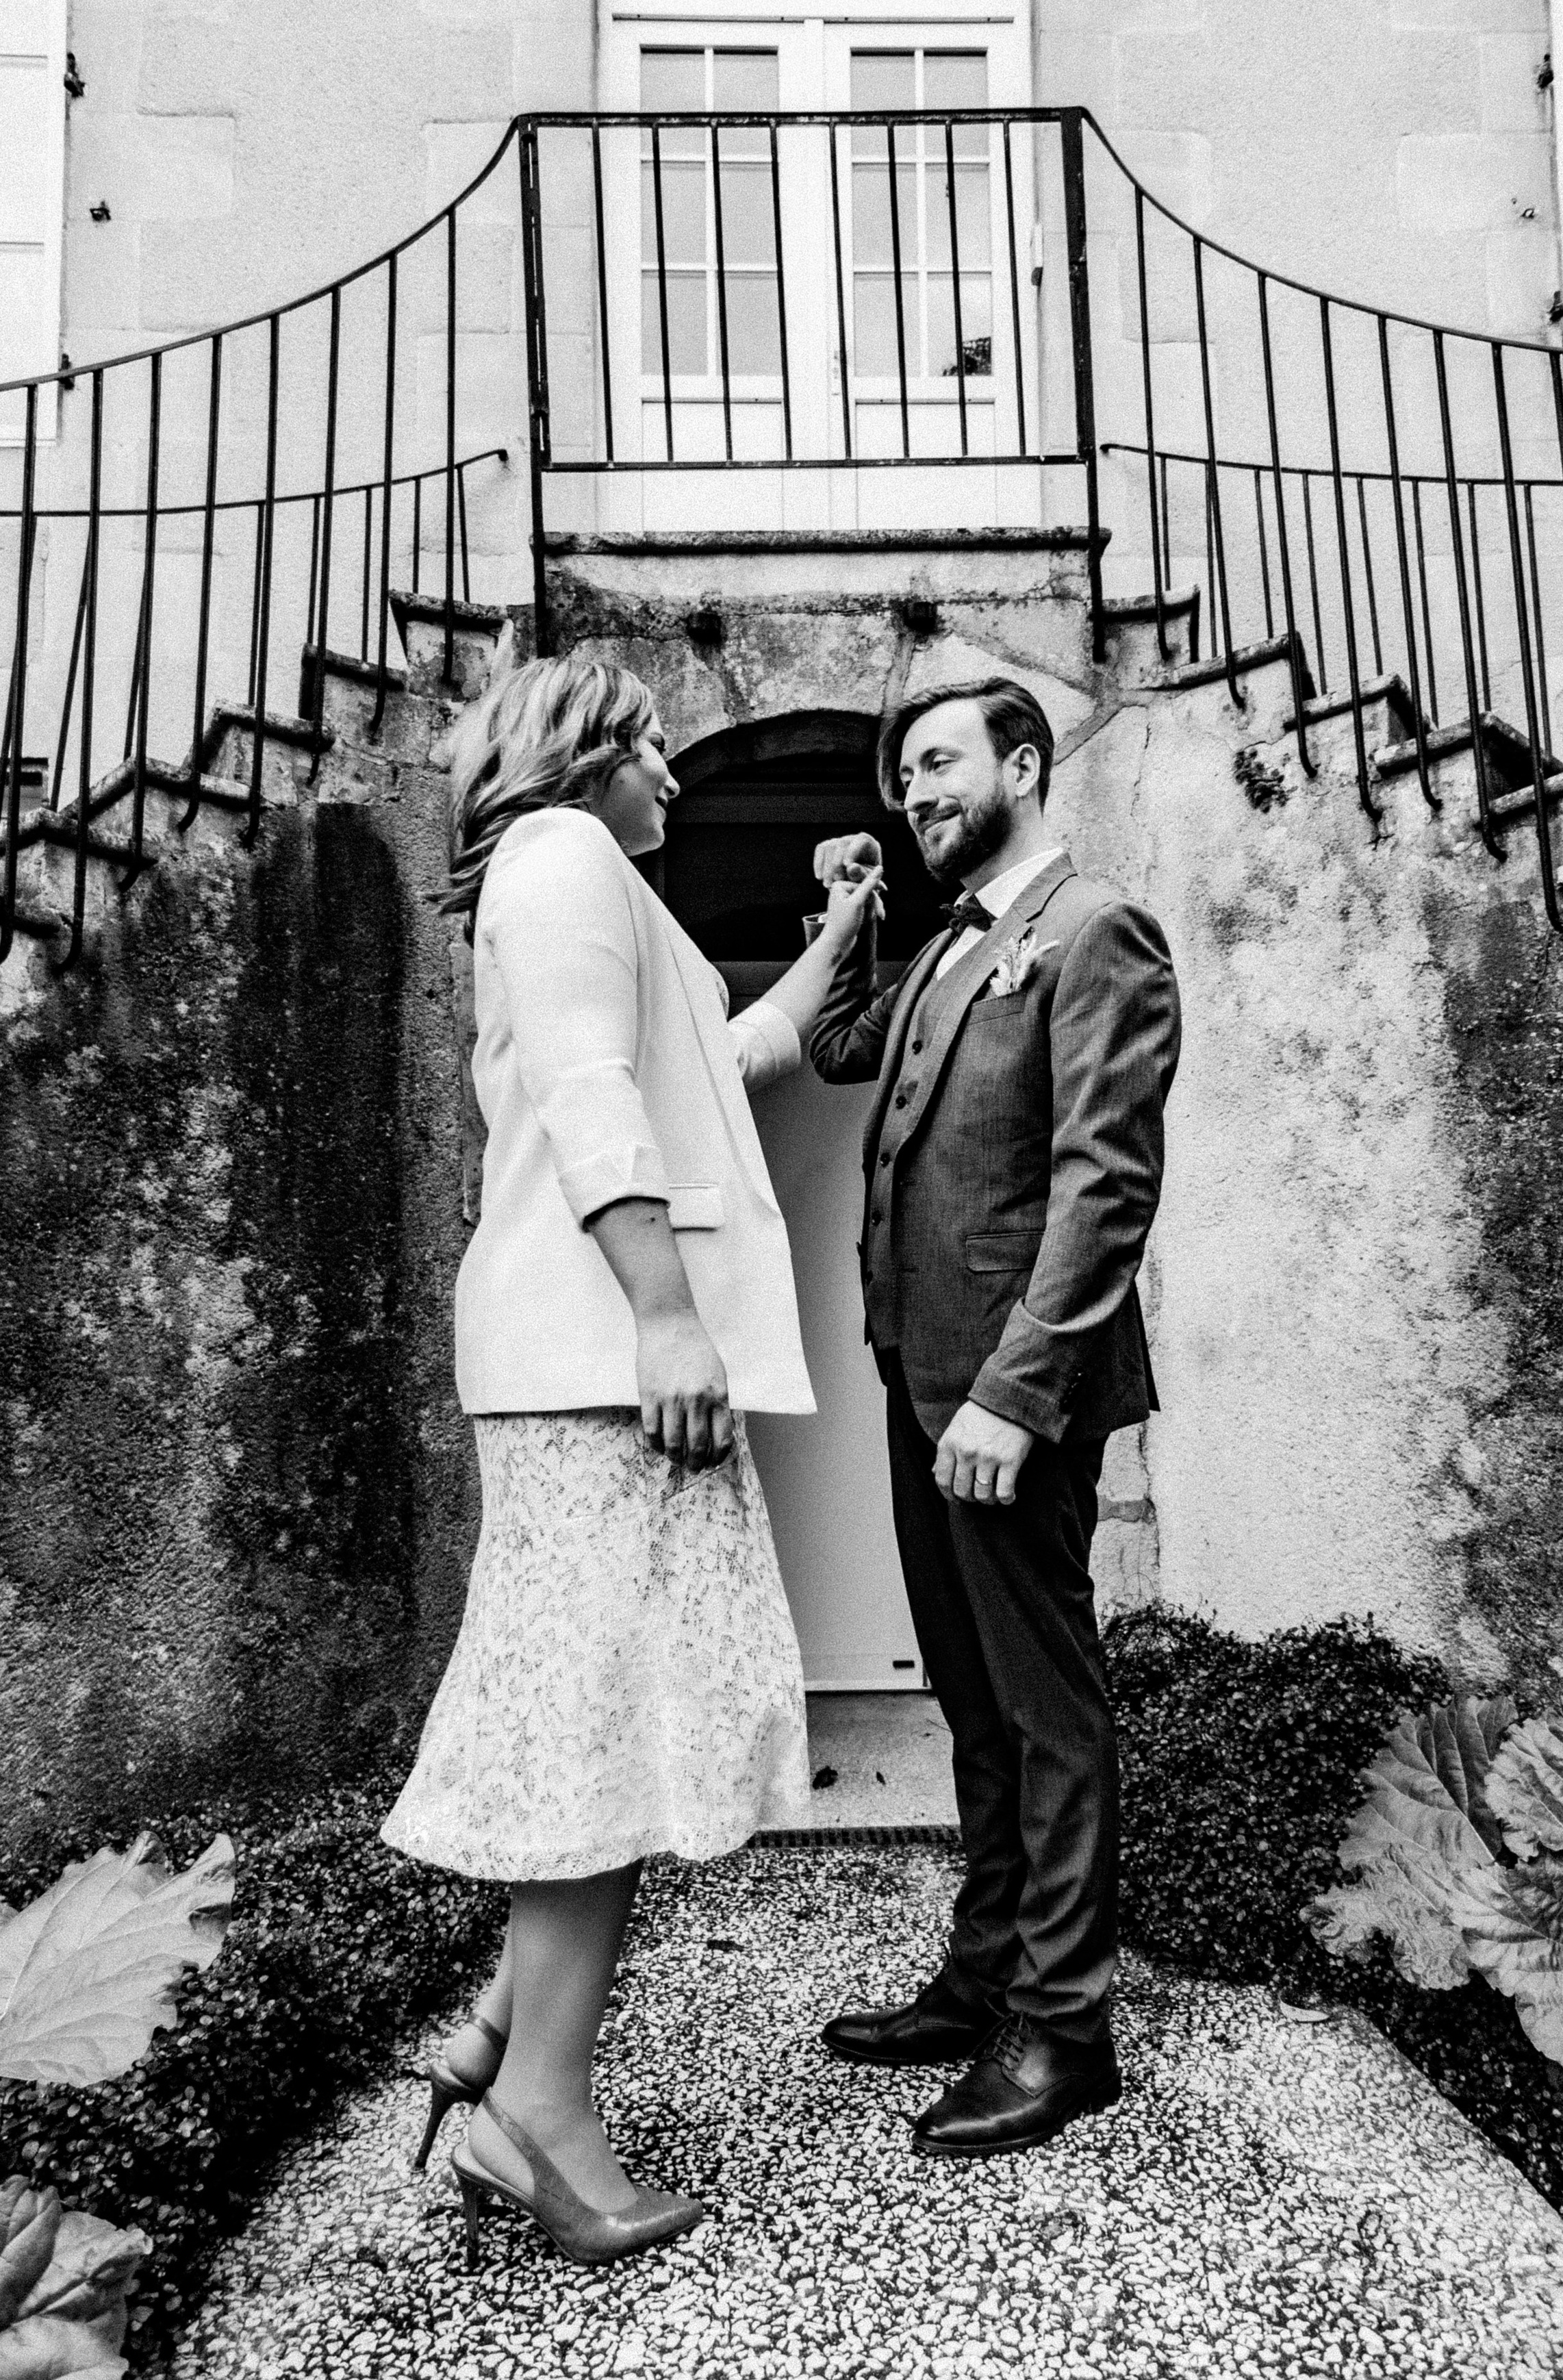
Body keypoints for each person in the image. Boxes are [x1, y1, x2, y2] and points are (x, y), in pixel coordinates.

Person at [381, 653, 881, 2267]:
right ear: (582, 749)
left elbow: (714, 1077)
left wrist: (835, 943)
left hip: (588, 1362)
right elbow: (598, 1099)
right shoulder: (562, 858)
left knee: (607, 1701)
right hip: (600, 1361)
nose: (672, 772)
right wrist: (667, 1317)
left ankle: (494, 2034)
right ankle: (541, 2113)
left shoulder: (577, 886)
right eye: (652, 744)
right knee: (600, 1738)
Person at [808, 676, 1180, 2160]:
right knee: (969, 1694)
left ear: (1025, 762)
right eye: (901, 774)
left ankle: (1063, 2026)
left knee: (1043, 1702)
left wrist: (1017, 1400)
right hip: (919, 1378)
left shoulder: (1093, 931)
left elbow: (1105, 1189)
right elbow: (845, 1053)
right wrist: (852, 915)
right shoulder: (956, 944)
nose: (914, 791)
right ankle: (985, 1972)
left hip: (1006, 1401)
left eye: (940, 762)